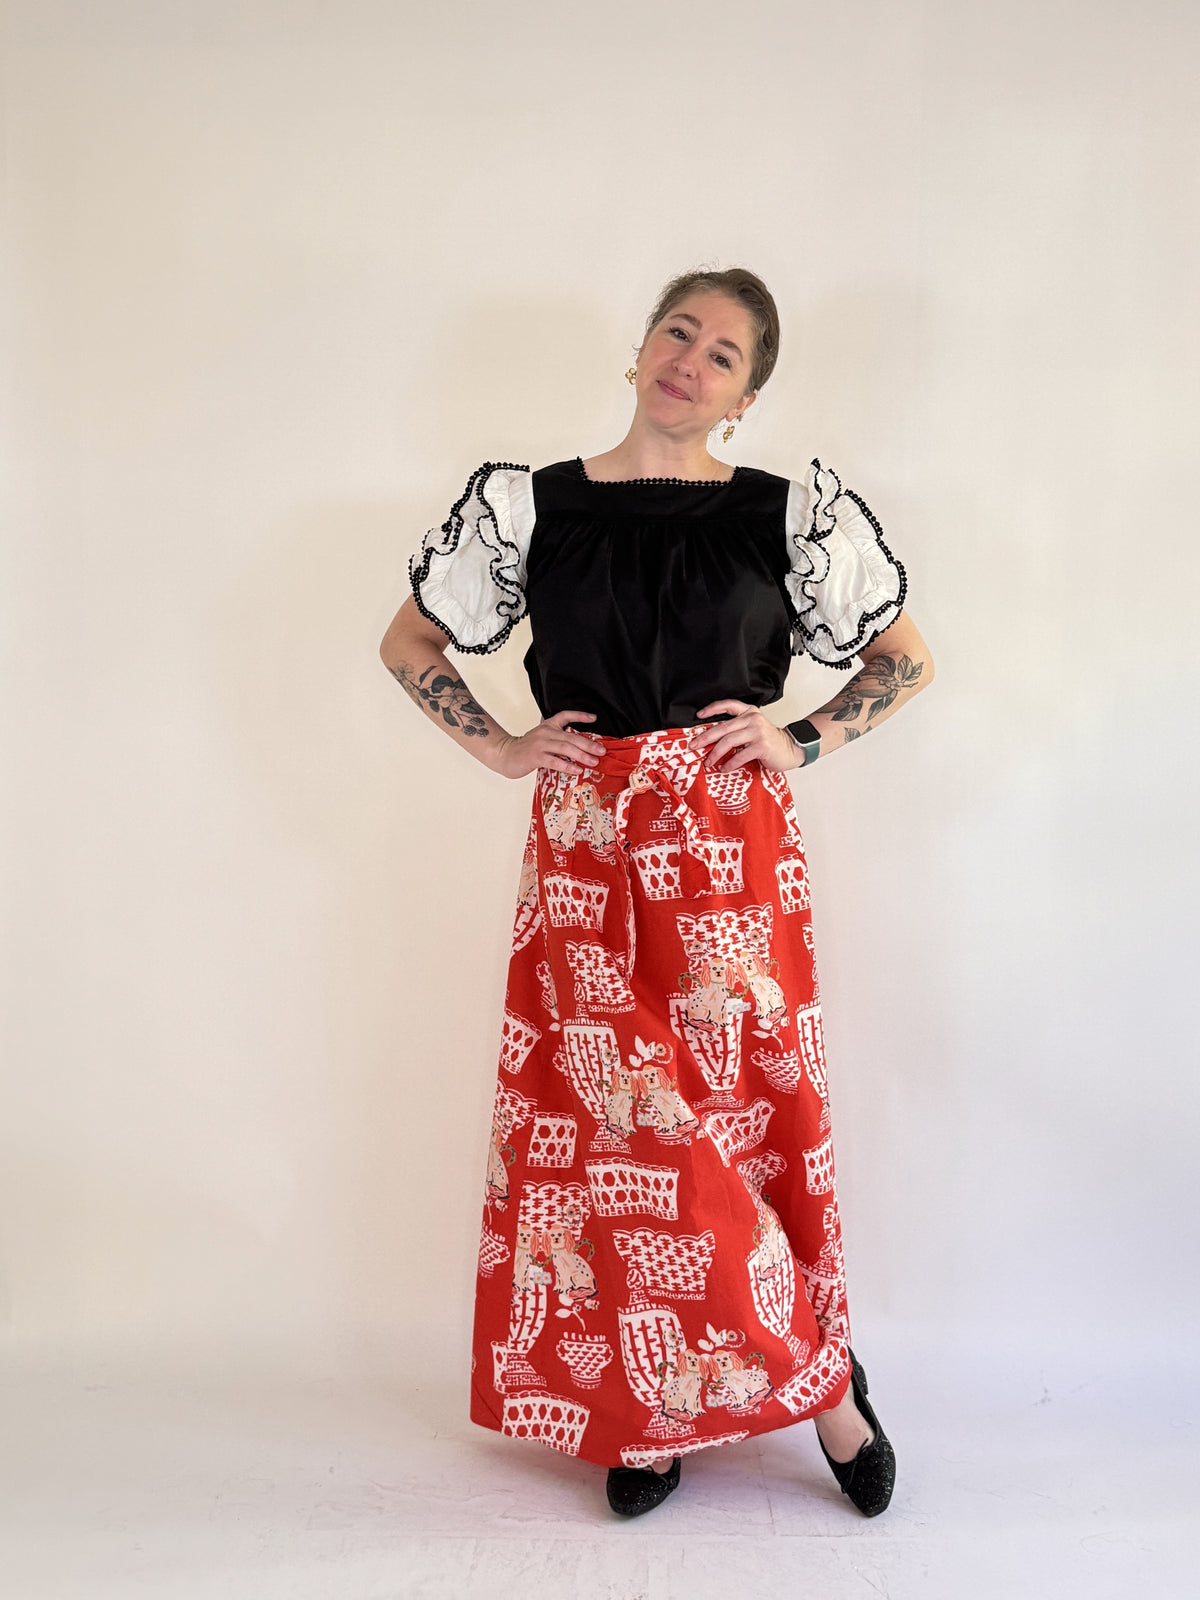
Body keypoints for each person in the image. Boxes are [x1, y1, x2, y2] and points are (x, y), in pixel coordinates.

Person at [380, 267, 934, 1520]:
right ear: (637, 352)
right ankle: (653, 1398)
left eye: (726, 353)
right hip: (583, 846)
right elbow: (410, 641)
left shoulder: (786, 517)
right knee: (619, 1137)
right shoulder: (534, 508)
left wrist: (800, 737)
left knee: (732, 1124)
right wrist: (503, 744)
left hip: (729, 845)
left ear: (745, 395)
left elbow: (905, 660)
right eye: (678, 331)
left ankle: (822, 1387)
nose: (693, 357)